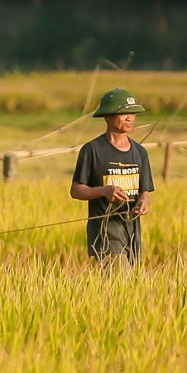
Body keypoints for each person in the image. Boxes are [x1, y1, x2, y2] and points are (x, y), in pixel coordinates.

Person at [69, 87, 154, 262]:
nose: (130, 118)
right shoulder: (92, 150)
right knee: (120, 278)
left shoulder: (140, 152)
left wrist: (143, 202)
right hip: (106, 234)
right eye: (124, 113)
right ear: (107, 116)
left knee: (135, 286)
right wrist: (104, 191)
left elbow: (144, 192)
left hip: (133, 234)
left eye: (133, 113)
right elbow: (76, 190)